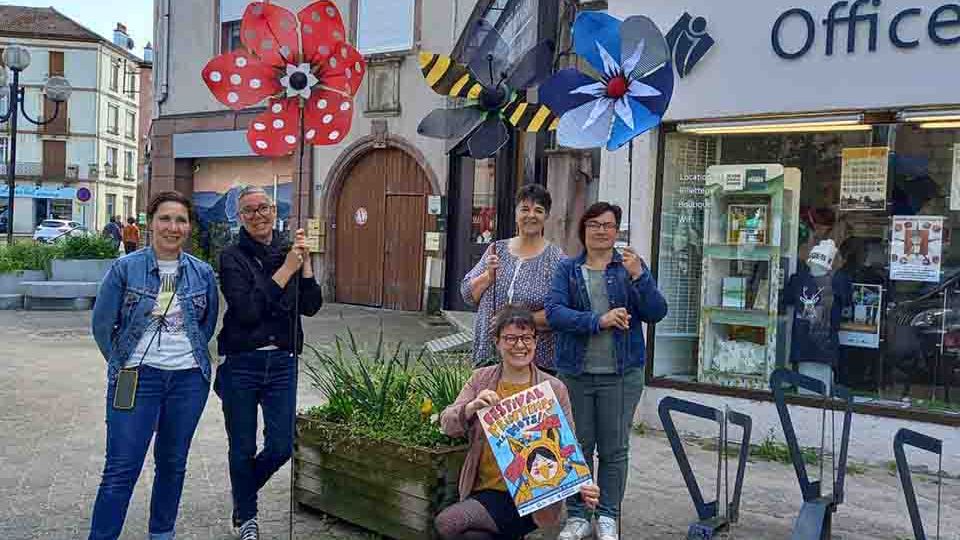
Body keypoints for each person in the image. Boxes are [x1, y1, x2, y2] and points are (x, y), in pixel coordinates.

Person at [89, 191, 220, 540]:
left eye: (180, 220)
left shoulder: (202, 273)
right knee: (121, 468)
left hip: (188, 381)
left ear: (189, 228)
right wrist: (122, 362)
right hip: (135, 379)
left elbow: (206, 326)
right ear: (150, 223)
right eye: (165, 218)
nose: (172, 227)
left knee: (173, 465)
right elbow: (102, 326)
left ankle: (161, 534)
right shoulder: (125, 268)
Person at [546, 202, 668, 540]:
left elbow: (657, 312)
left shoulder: (630, 266)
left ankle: (608, 514)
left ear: (617, 231)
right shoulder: (567, 270)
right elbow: (554, 313)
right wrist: (598, 321)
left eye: (609, 225)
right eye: (595, 224)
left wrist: (640, 278)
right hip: (576, 373)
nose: (602, 231)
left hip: (622, 374)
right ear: (583, 230)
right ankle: (578, 515)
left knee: (614, 450)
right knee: (577, 447)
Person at [435, 305, 600, 540]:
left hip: (533, 497)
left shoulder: (553, 388)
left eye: (526, 338)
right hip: (485, 490)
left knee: (449, 522)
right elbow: (447, 424)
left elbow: (568, 445)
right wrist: (472, 408)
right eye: (511, 338)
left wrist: (583, 485)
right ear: (497, 341)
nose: (520, 346)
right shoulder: (481, 380)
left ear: (535, 341)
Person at [216, 185, 323, 540]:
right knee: (242, 447)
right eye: (249, 211)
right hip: (242, 363)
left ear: (275, 211)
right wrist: (286, 270)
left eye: (264, 207)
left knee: (280, 445)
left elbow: (310, 306)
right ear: (239, 218)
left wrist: (304, 267)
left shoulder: (289, 249)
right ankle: (247, 517)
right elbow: (246, 311)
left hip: (282, 362)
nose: (258, 215)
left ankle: (242, 495)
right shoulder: (231, 257)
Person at [461, 184, 564, 370]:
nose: (531, 215)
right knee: (488, 400)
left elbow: (560, 313)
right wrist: (488, 276)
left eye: (538, 210)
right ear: (516, 214)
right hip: (490, 357)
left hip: (535, 363)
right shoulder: (496, 249)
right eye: (525, 209)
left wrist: (516, 322)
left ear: (546, 217)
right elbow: (467, 294)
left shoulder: (557, 259)